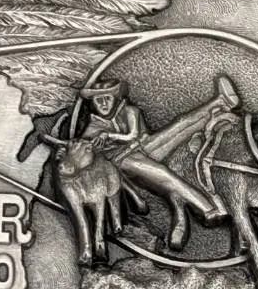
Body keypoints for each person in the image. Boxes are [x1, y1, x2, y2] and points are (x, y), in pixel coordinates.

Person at [65, 79, 225, 222]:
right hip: (124, 160)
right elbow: (82, 151)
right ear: (93, 103)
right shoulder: (93, 125)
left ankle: (221, 102)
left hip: (144, 147)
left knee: (181, 124)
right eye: (98, 100)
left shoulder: (129, 111)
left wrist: (108, 135)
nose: (104, 104)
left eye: (107, 98)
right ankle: (209, 209)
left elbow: (133, 136)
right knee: (164, 174)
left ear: (115, 98)